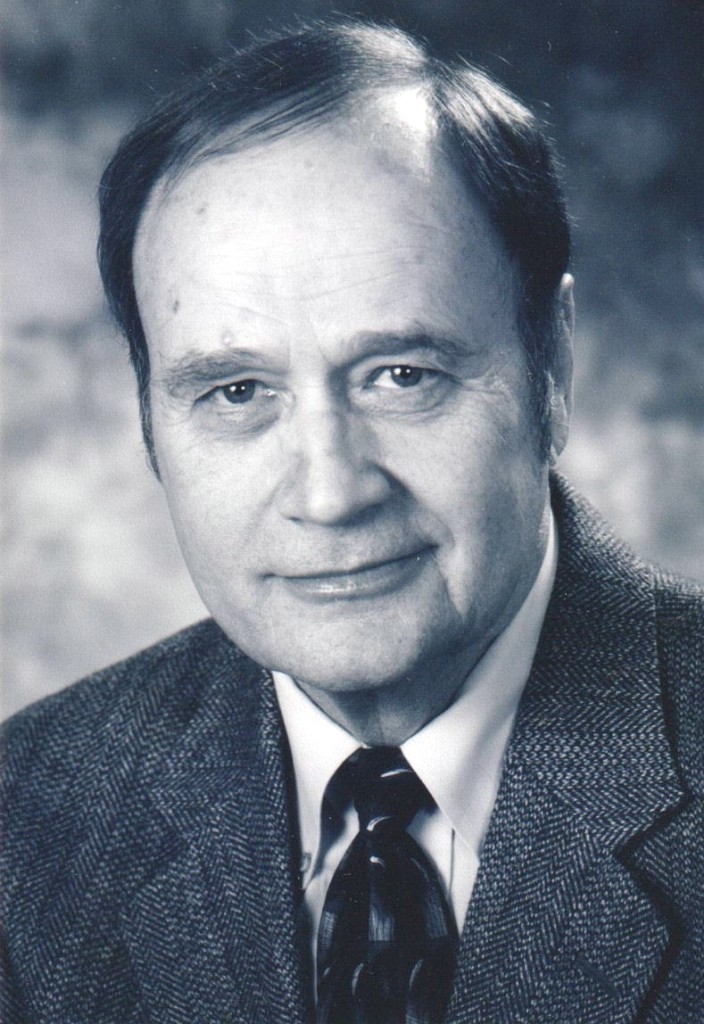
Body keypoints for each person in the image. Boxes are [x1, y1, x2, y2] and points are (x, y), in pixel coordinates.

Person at [2, 19, 702, 1024]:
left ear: (549, 365)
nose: (330, 495)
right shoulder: (25, 826)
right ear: (150, 421)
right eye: (236, 392)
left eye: (401, 375)